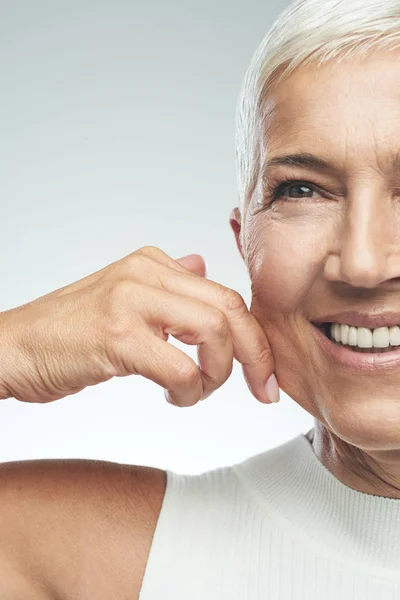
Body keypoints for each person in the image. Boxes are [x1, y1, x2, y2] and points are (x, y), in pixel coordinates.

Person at [1, 0, 400, 597]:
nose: (365, 264)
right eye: (302, 190)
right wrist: (12, 350)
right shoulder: (94, 556)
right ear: (246, 246)